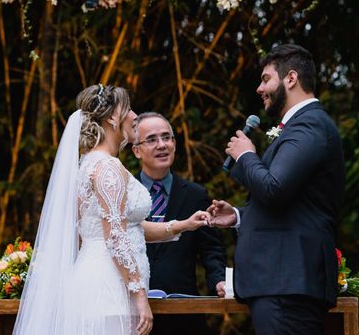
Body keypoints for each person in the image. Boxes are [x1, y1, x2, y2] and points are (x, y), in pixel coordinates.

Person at [12, 84, 211, 335]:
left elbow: (124, 226)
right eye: (128, 110)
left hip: (99, 281)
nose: (134, 117)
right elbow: (115, 236)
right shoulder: (108, 168)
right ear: (112, 118)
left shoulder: (89, 163)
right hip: (108, 289)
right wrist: (140, 295)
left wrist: (182, 225)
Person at [208, 43, 345, 334]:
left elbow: (275, 189)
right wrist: (239, 215)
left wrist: (246, 155)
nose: (260, 88)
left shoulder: (310, 126)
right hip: (282, 283)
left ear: (291, 78)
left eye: (266, 78)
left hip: (288, 283)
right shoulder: (301, 126)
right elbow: (292, 202)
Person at [131, 112, 227, 335]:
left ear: (175, 143)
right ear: (136, 150)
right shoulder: (123, 193)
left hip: (184, 313)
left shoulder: (195, 195)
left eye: (167, 137)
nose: (162, 145)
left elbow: (211, 249)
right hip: (133, 312)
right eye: (152, 139)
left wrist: (218, 281)